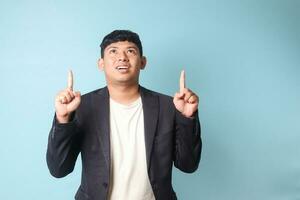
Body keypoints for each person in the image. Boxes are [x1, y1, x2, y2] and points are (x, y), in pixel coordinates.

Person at [46, 30, 202, 200]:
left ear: (143, 62)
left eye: (130, 51)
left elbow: (188, 165)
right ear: (101, 63)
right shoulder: (81, 106)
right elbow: (59, 169)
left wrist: (187, 118)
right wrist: (63, 119)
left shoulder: (168, 106)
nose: (122, 57)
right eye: (113, 51)